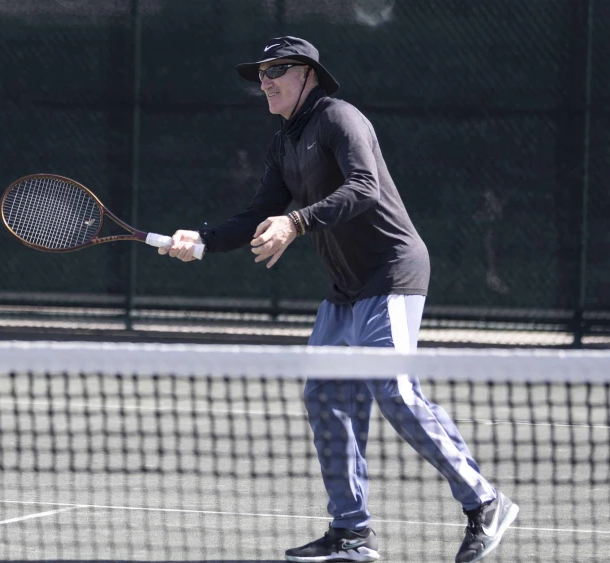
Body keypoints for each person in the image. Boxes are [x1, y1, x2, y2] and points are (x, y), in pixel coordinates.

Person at [159, 37, 518, 563]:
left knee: (392, 389)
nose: (264, 80)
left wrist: (297, 221)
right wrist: (205, 240)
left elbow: (366, 187)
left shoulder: (339, 118)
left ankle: (484, 502)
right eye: (259, 73)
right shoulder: (284, 142)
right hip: (345, 287)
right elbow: (260, 209)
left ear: (307, 73)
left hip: (392, 271)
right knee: (324, 395)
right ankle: (350, 534)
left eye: (275, 70)